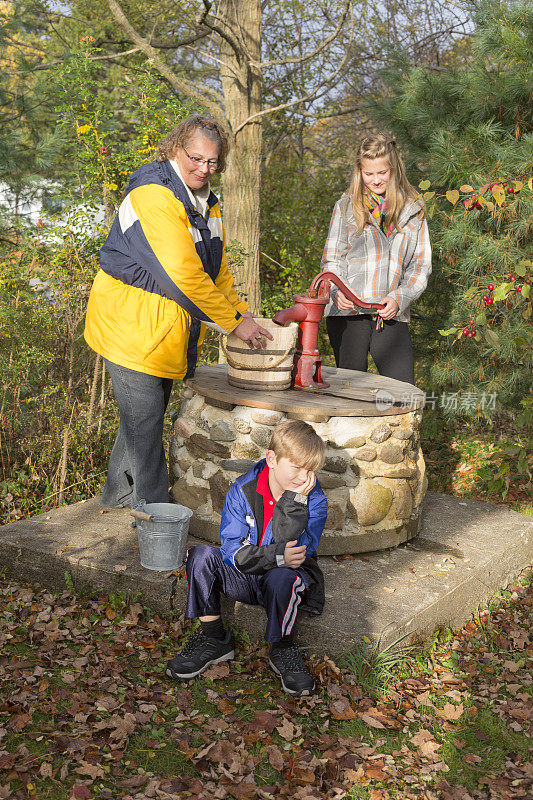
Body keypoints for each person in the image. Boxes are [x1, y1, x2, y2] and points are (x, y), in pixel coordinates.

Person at [84, 115, 271, 509]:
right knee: (146, 427)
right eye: (196, 158)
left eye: (213, 162)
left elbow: (216, 272)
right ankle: (155, 524)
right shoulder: (154, 195)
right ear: (174, 150)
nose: (204, 169)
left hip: (164, 335)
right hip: (131, 330)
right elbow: (185, 275)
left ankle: (115, 500)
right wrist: (235, 324)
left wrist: (241, 313)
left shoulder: (208, 204)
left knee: (139, 424)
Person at [166, 420, 328, 696]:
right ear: (272, 459)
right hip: (246, 574)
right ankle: (213, 638)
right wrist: (276, 556)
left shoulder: (313, 501)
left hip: (281, 581)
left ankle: (283, 648)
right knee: (201, 555)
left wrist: (293, 502)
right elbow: (233, 553)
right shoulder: (242, 490)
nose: (304, 477)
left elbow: (294, 550)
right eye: (297, 467)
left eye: (310, 470)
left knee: (284, 576)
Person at [322, 133, 432, 385]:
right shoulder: (346, 206)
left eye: (382, 172)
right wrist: (337, 291)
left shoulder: (413, 209)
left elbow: (420, 265)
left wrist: (400, 297)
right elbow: (332, 260)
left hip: (390, 313)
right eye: (368, 174)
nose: (375, 180)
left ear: (394, 169)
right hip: (348, 314)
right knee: (350, 391)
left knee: (402, 391)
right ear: (359, 172)